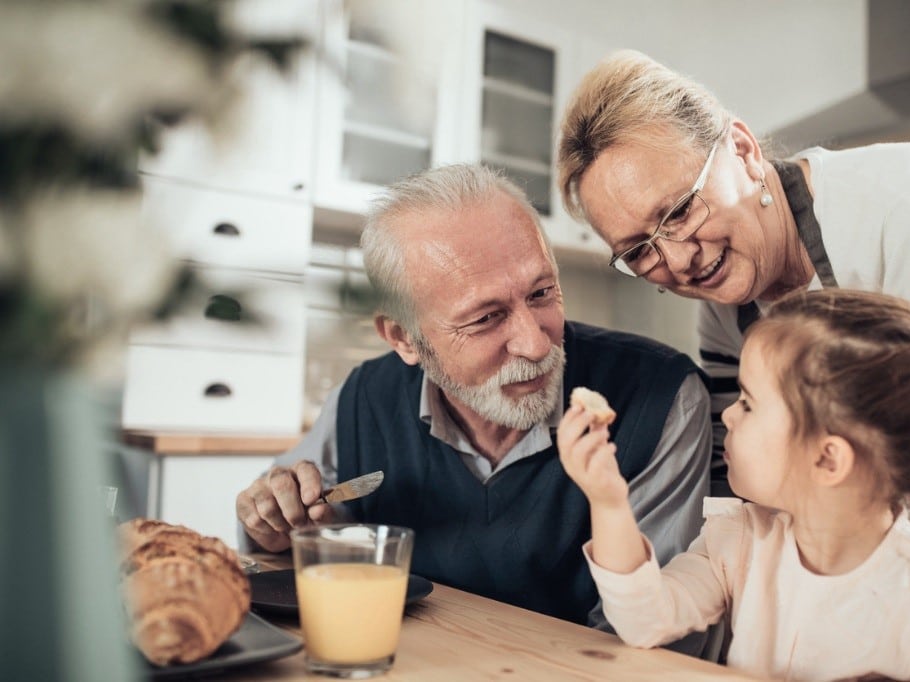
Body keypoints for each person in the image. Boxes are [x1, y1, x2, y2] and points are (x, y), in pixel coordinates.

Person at [556, 50, 910, 531]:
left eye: (678, 212)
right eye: (638, 251)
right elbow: (739, 475)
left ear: (742, 150)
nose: (677, 261)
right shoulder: (728, 310)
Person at [235, 163, 713, 634]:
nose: (536, 343)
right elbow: (277, 547)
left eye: (542, 292)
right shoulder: (363, 399)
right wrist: (270, 522)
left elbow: (655, 643)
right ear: (403, 337)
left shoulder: (662, 399)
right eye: (485, 318)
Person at [558, 288, 910, 681]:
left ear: (827, 457)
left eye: (748, 402)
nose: (729, 415)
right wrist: (609, 501)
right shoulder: (738, 539)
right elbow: (644, 620)